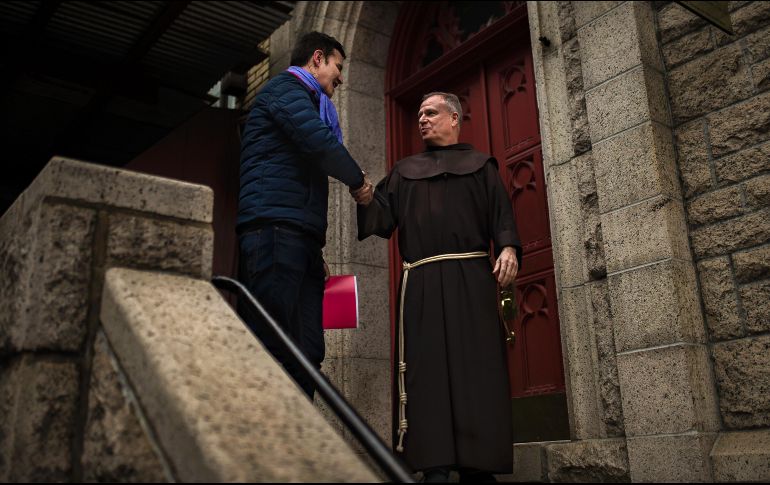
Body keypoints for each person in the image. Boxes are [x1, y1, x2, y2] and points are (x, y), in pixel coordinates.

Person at [357, 92, 521, 482]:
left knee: (477, 370)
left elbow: (502, 216)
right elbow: (382, 218)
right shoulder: (404, 171)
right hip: (423, 283)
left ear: (454, 119)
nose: (422, 119)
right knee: (426, 374)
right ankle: (434, 466)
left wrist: (509, 248)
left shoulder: (482, 166)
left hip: (472, 282)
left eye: (431, 113)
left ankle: (478, 467)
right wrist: (364, 196)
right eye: (419, 114)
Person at [237, 31, 374, 398]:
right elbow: (319, 144)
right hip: (273, 231)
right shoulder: (284, 91)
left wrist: (315, 248)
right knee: (273, 339)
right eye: (338, 67)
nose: (341, 78)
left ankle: (300, 424)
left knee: (309, 348)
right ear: (317, 58)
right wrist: (358, 182)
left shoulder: (310, 101)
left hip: (300, 239)